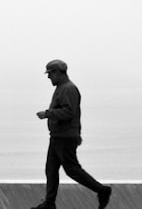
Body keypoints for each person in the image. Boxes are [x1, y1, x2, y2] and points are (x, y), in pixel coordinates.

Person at [33, 60, 111, 209]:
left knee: (72, 169)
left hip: (65, 137)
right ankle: (49, 203)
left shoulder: (69, 89)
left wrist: (48, 114)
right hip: (57, 137)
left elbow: (69, 112)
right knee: (50, 169)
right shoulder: (61, 87)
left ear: (58, 73)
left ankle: (102, 190)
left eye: (50, 74)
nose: (49, 78)